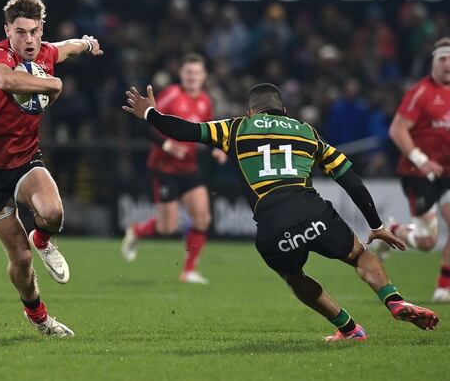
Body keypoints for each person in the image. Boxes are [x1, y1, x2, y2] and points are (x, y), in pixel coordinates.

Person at [123, 82, 439, 341]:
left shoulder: (236, 128)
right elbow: (349, 179)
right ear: (284, 110)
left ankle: (349, 329)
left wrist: (150, 113)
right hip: (311, 208)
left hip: (271, 223)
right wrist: (376, 224)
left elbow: (184, 131)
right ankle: (394, 300)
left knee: (294, 276)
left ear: (251, 111)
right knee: (358, 255)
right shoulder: (306, 131)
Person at [0, 0, 102, 337]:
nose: (28, 40)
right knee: (21, 261)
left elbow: (66, 48)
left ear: (42, 30)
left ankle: (42, 238)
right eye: (20, 32)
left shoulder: (45, 52)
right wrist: (53, 84)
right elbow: (7, 81)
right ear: (7, 31)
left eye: (34, 32)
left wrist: (87, 43)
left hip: (25, 157)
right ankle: (38, 316)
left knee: (53, 212)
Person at [121, 53, 227, 284]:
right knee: (168, 227)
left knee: (202, 218)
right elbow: (147, 123)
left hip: (189, 168)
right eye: (188, 72)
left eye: (197, 73)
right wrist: (167, 145)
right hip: (164, 168)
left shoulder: (205, 101)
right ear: (181, 74)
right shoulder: (170, 95)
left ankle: (188, 271)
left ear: (204, 76)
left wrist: (217, 148)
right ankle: (136, 231)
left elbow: (207, 134)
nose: (192, 77)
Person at [372, 37, 450, 302]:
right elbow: (397, 129)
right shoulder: (421, 92)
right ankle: (393, 229)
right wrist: (421, 159)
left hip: (447, 173)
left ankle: (444, 286)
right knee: (427, 241)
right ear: (433, 62)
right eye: (443, 59)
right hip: (419, 174)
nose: (448, 64)